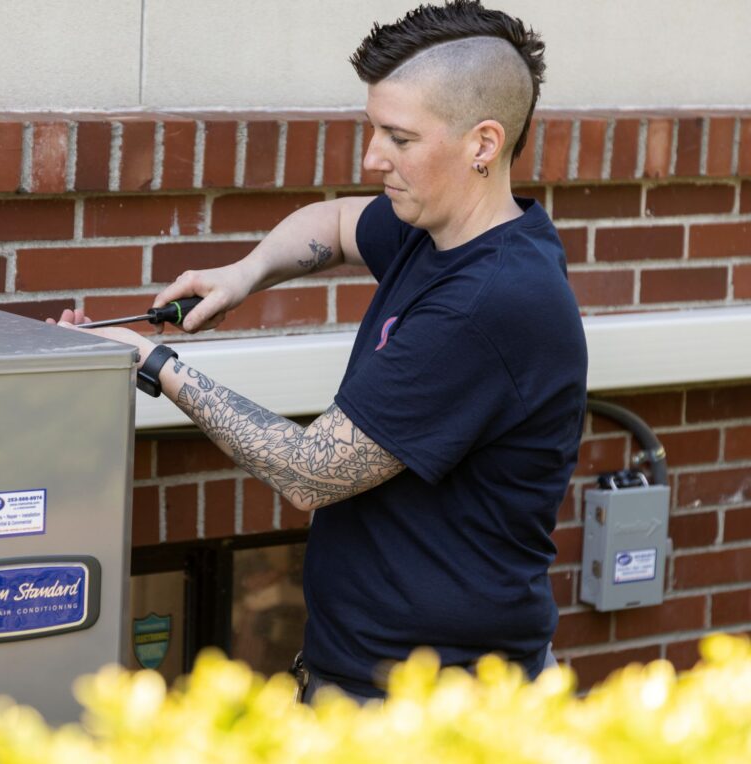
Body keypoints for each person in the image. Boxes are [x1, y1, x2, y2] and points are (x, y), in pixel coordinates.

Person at [55, 0, 587, 702]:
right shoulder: (440, 231)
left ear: (482, 144)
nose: (373, 158)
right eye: (374, 129)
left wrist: (150, 362)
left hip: (433, 707)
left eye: (399, 138)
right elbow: (335, 224)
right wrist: (242, 274)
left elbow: (312, 472)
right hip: (377, 678)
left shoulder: (487, 303)